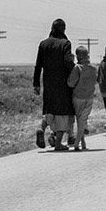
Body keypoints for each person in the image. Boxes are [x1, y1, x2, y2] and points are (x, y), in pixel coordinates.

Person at [33, 18, 75, 151]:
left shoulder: (43, 44)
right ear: (63, 29)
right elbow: (67, 62)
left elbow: (38, 65)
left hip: (48, 83)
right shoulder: (65, 43)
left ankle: (41, 128)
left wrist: (36, 84)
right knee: (62, 112)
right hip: (63, 84)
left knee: (49, 110)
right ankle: (58, 143)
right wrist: (75, 72)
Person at [67, 46, 98, 151]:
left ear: (78, 56)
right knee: (83, 120)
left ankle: (77, 143)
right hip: (90, 97)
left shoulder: (77, 68)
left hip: (78, 97)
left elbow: (71, 83)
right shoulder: (94, 68)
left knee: (80, 120)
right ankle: (83, 142)